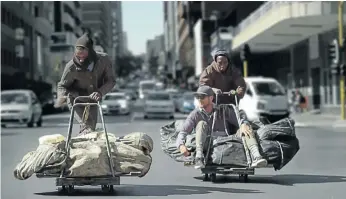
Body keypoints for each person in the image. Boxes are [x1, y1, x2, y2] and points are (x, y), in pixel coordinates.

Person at [176, 85, 267, 169]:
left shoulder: (223, 110)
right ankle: (199, 158)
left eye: (202, 97)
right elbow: (183, 132)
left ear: (211, 98)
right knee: (201, 124)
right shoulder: (195, 114)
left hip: (227, 139)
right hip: (208, 142)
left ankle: (257, 156)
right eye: (198, 97)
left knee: (245, 127)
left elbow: (239, 119)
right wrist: (181, 145)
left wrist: (244, 124)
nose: (199, 99)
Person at [54, 33, 116, 134]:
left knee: (91, 128)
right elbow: (62, 85)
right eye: (79, 56)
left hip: (93, 99)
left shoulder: (104, 60)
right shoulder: (71, 67)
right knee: (86, 126)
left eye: (84, 56)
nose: (81, 59)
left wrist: (100, 92)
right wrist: (61, 96)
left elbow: (111, 81)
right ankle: (83, 131)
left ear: (91, 52)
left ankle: (86, 145)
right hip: (76, 99)